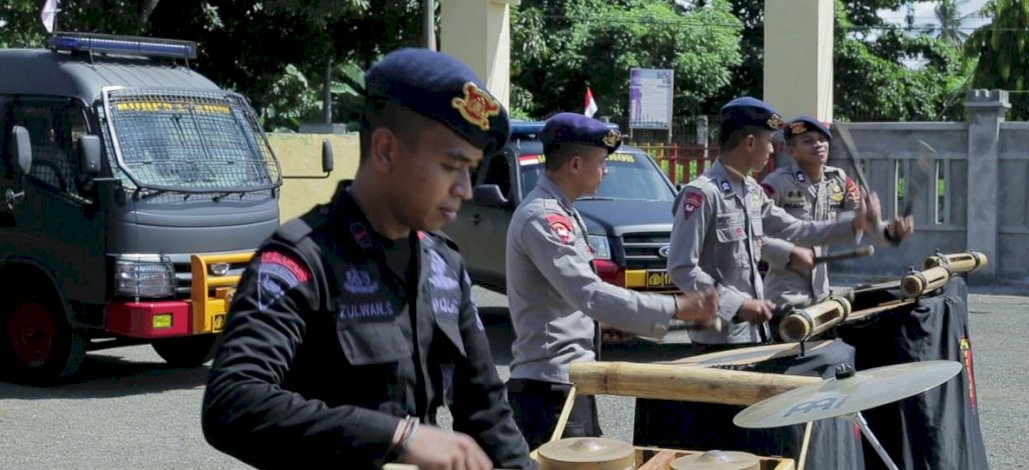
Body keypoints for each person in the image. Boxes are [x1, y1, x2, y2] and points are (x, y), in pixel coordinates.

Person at [201, 48, 537, 470]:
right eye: (452, 166)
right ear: (385, 151)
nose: (465, 189)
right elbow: (233, 401)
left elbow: (486, 409)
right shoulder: (302, 260)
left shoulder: (443, 264)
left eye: (471, 170)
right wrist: (398, 435)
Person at [505, 112, 718, 449]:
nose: (606, 171)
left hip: (568, 379)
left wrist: (598, 327)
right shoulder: (544, 217)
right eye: (601, 162)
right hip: (548, 387)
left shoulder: (562, 210)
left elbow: (561, 301)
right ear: (575, 164)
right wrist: (677, 307)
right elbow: (588, 293)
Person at [666, 97, 880, 352]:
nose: (771, 150)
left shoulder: (751, 191)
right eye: (768, 142)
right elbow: (682, 269)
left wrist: (855, 224)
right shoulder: (702, 194)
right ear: (750, 142)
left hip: (756, 333)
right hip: (719, 339)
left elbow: (796, 228)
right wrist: (737, 304)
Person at [760, 116, 915, 307]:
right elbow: (755, 237)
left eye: (822, 139)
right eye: (808, 141)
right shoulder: (776, 184)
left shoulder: (838, 180)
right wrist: (789, 253)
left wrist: (890, 231)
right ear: (791, 151)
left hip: (821, 294)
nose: (818, 145)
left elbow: (865, 227)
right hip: (785, 295)